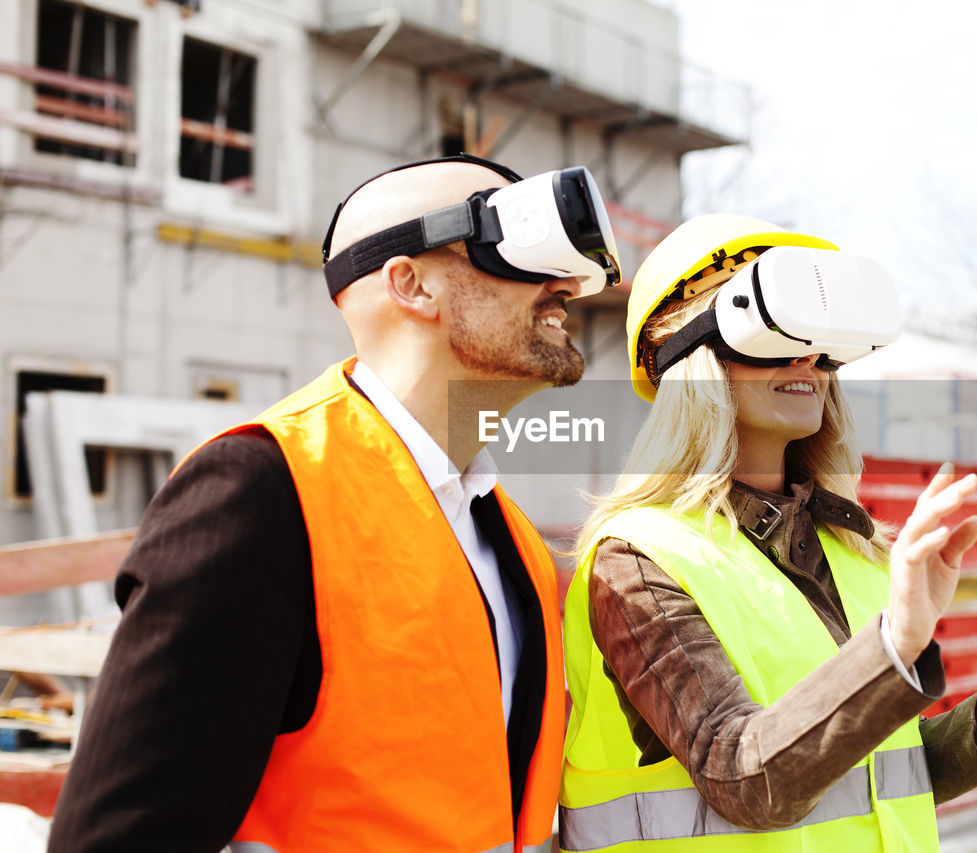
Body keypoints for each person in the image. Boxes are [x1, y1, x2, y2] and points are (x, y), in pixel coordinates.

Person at [48, 154, 618, 853]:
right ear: (410, 284)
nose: (563, 283)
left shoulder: (511, 541)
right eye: (517, 246)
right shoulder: (261, 492)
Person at [559, 214, 977, 851]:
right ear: (691, 356)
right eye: (774, 337)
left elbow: (877, 777)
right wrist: (895, 646)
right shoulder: (641, 560)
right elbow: (743, 777)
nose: (809, 358)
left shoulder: (854, 552)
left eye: (819, 341)